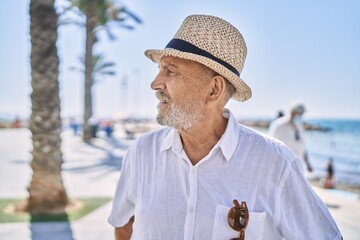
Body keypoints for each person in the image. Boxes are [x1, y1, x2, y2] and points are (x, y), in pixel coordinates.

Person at [108, 15, 342, 239]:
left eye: (170, 71)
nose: (155, 83)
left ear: (214, 90)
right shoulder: (141, 152)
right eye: (159, 70)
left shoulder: (275, 164)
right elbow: (122, 224)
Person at [268, 101, 313, 173]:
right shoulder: (279, 125)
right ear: (292, 112)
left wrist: (308, 163)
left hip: (297, 168)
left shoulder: (300, 126)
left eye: (301, 115)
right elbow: (270, 145)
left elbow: (303, 146)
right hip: (281, 168)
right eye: (299, 114)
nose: (300, 117)